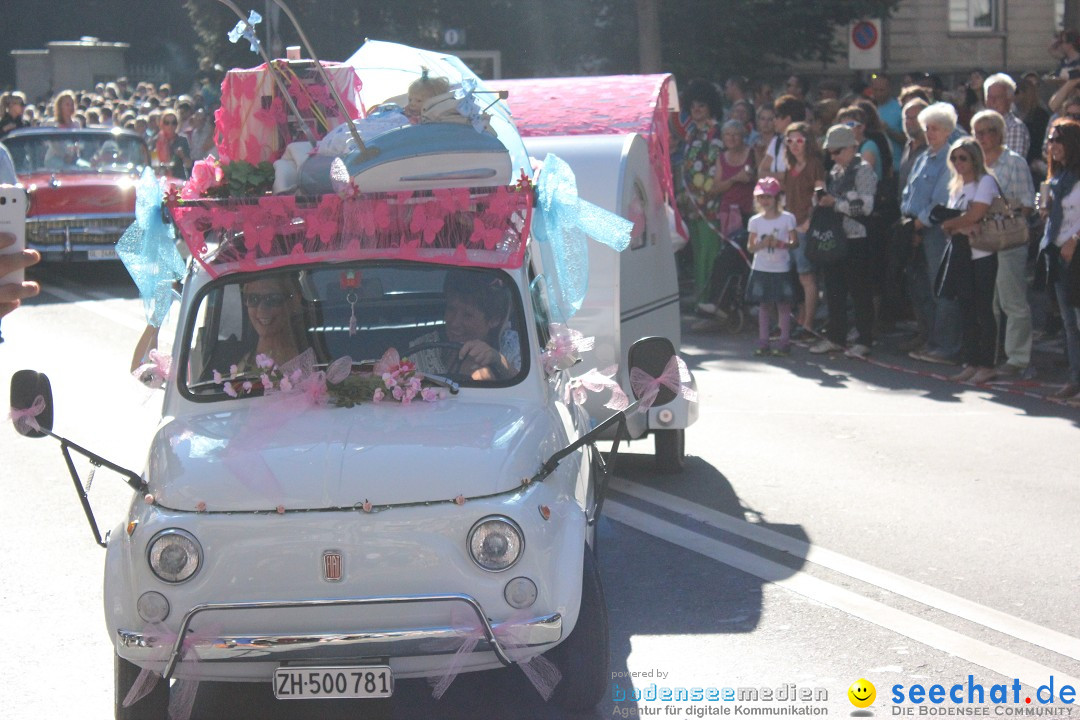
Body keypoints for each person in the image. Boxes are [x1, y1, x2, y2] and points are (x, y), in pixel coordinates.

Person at [970, 109, 1036, 378]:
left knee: (1013, 301)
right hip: (980, 241)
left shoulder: (1014, 162)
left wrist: (1000, 214)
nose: (984, 136)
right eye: (979, 132)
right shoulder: (974, 163)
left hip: (1007, 239)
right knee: (988, 302)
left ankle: (1018, 357)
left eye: (990, 130)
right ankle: (989, 356)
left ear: (1001, 133)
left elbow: (1028, 203)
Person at [901, 102, 966, 364]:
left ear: (949, 130)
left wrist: (919, 223)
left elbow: (942, 199)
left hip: (937, 231)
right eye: (927, 129)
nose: (930, 134)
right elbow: (909, 190)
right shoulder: (924, 156)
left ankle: (947, 346)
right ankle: (931, 339)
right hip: (914, 229)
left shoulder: (951, 159)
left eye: (935, 129)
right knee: (921, 288)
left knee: (942, 289)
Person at [810, 124, 878, 357]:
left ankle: (865, 339)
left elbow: (866, 207)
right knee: (834, 290)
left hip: (858, 238)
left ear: (852, 147)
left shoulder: (864, 170)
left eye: (837, 151)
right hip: (836, 239)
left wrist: (835, 203)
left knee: (860, 292)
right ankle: (836, 337)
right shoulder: (835, 172)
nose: (834, 156)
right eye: (830, 152)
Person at [938, 139, 999, 384]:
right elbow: (948, 224)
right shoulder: (956, 187)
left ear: (974, 158)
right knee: (966, 307)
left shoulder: (986, 182)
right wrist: (958, 226)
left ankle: (987, 364)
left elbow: (976, 214)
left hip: (983, 254)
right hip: (961, 253)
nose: (958, 163)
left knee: (984, 308)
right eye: (954, 158)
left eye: (963, 158)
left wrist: (954, 224)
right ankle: (971, 361)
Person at [409, 270, 520, 381]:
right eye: (451, 309)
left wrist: (499, 362)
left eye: (468, 315)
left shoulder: (516, 349)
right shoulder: (421, 349)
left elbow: (530, 388)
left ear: (494, 319)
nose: (454, 322)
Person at [1038, 119, 1080, 400]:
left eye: (1058, 140)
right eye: (1050, 140)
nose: (1052, 146)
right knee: (1069, 322)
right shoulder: (1058, 177)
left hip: (1074, 251)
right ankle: (1075, 379)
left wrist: (1075, 240)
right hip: (1057, 252)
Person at [676, 79, 725, 308]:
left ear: (711, 107)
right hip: (691, 204)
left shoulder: (717, 132)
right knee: (698, 254)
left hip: (709, 204)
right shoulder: (691, 132)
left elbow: (716, 167)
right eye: (693, 105)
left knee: (709, 253)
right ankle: (700, 298)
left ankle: (708, 300)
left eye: (702, 106)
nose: (696, 109)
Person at [779, 121, 826, 338]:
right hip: (790, 226)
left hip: (806, 226)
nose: (795, 145)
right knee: (795, 276)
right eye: (790, 141)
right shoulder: (789, 167)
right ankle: (799, 318)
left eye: (799, 140)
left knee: (807, 276)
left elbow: (820, 194)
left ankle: (808, 324)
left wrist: (809, 220)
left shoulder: (814, 164)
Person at [744, 177, 797, 356]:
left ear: (777, 198)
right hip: (761, 267)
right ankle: (763, 341)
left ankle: (784, 341)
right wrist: (763, 243)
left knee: (783, 305)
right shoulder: (755, 221)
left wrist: (781, 244)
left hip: (781, 267)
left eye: (768, 197)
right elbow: (750, 247)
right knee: (764, 305)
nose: (765, 201)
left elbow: (794, 242)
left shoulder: (787, 219)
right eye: (761, 197)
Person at [237, 274, 311, 370]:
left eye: (273, 299)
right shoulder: (243, 364)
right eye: (253, 299)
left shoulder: (313, 359)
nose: (261, 308)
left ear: (294, 302)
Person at [983, 73, 1030, 159]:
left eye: (998, 97)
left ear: (1009, 99)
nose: (993, 101)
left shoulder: (1015, 128)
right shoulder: (981, 127)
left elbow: (1014, 165)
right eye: (989, 97)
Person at [155, 110, 190, 179]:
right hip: (161, 178)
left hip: (178, 179)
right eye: (166, 123)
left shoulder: (182, 140)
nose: (170, 126)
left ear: (177, 124)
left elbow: (189, 164)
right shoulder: (156, 140)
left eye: (173, 123)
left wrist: (182, 155)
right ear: (162, 124)